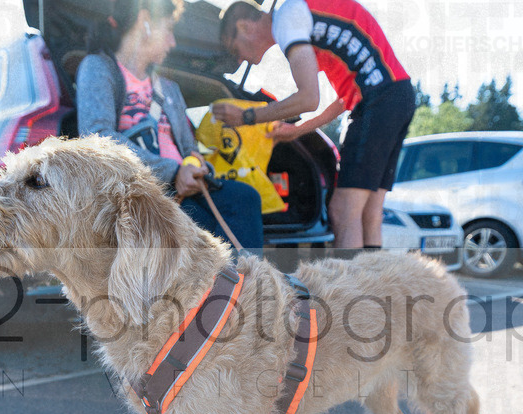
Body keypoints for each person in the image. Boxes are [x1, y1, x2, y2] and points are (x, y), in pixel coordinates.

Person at [216, 0, 417, 250]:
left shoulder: (287, 19)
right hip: (397, 95)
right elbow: (342, 99)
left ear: (245, 27)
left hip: (378, 100)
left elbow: (308, 98)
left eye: (235, 49)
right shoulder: (302, 22)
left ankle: (350, 290)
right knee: (369, 213)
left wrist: (247, 117)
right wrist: (298, 131)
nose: (242, 60)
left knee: (344, 211)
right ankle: (373, 285)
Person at [75, 0, 264, 251]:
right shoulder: (98, 67)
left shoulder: (170, 89)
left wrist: (196, 167)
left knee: (245, 197)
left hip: (183, 187)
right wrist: (173, 172)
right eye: (169, 29)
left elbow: (189, 149)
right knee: (199, 224)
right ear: (146, 22)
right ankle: (227, 287)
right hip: (139, 191)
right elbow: (97, 138)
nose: (172, 42)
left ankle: (245, 286)